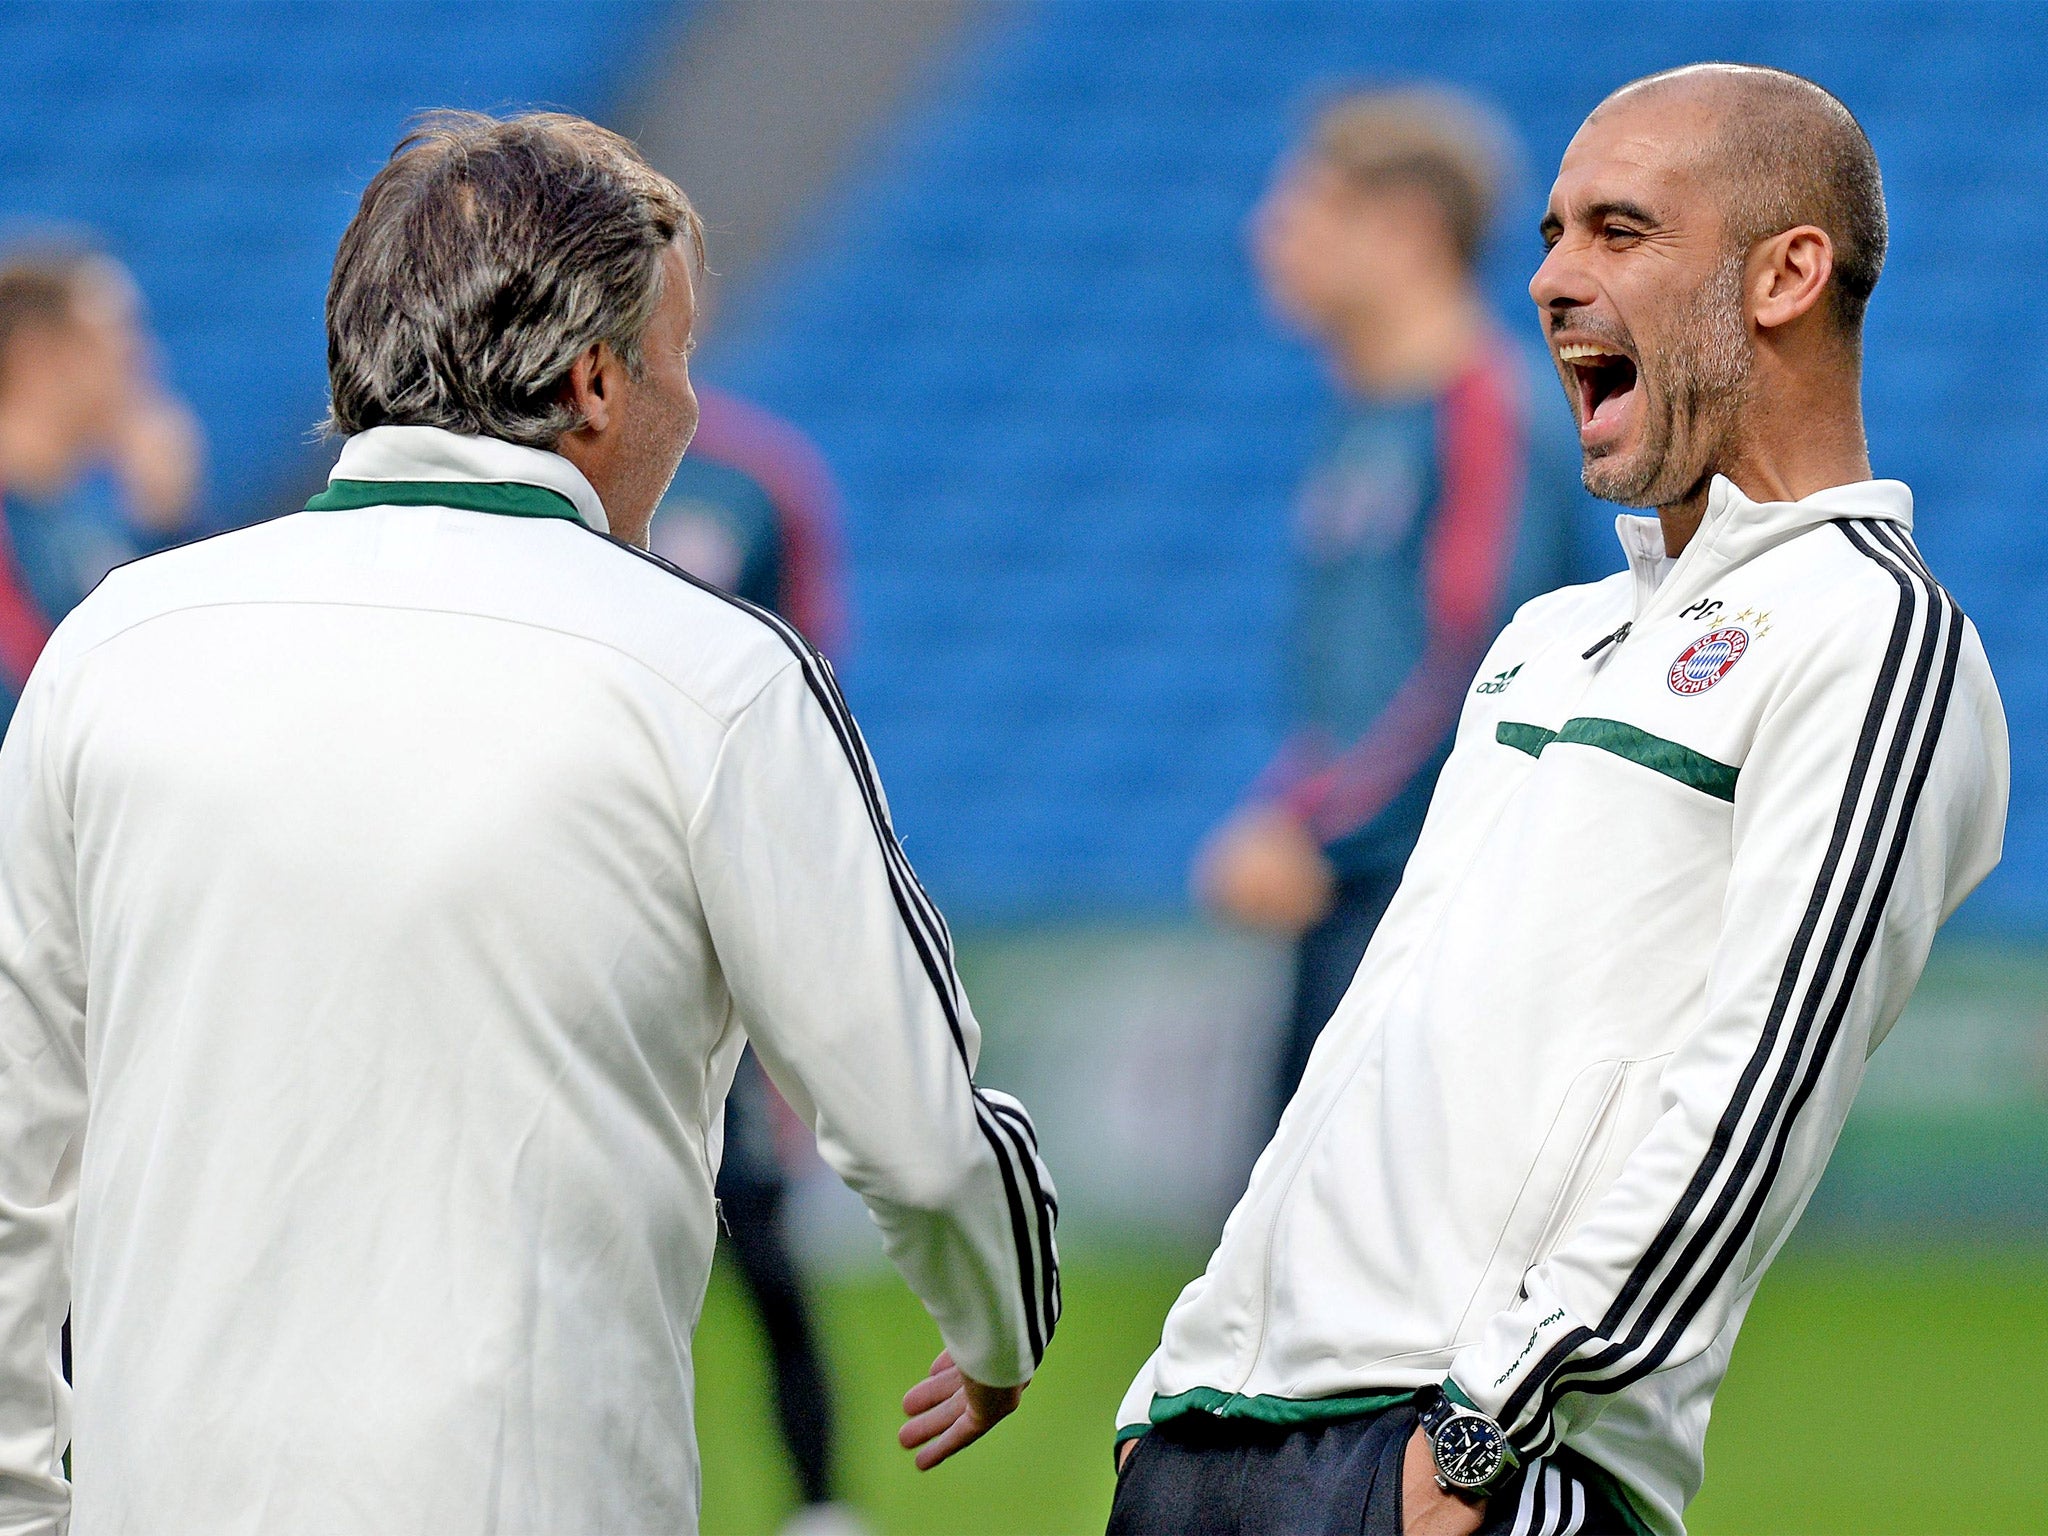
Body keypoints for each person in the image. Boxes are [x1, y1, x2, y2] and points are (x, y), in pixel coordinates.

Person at [0, 110, 1058, 1536]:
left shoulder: (114, 645)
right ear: (597, 383)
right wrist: (999, 1319)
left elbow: (16, 1154)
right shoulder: (711, 674)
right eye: (679, 365)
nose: (692, 410)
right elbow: (923, 1137)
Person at [1112, 64, 2006, 1536]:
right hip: (1230, 1434)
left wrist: (1490, 1426)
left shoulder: (1876, 635)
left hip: (1462, 1451)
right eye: (1549, 233)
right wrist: (1177, 1387)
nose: (1547, 280)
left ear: (1789, 272)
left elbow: (1757, 1078)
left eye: (1618, 231)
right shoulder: (1552, 638)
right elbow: (1375, 1032)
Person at [1193, 88, 1588, 1130]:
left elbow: (1469, 664)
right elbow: (1354, 693)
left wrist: (1305, 825)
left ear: (1402, 229)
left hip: (1445, 902)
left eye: (1304, 208)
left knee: (1351, 1253)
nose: (1268, 236)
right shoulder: (1366, 419)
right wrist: (1292, 807)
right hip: (1369, 886)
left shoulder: (1479, 416)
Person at [649, 385, 864, 1536]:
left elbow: (808, 684)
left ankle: (820, 1505)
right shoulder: (525, 479)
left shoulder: (755, 476)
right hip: (579, 900)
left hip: (717, 910)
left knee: (757, 1228)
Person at [0, 249, 203, 727]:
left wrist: (166, 525)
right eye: (118, 335)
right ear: (38, 355)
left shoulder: (84, 525)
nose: (143, 359)